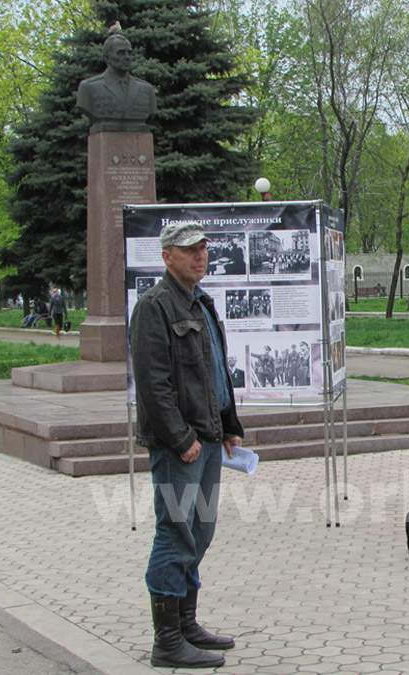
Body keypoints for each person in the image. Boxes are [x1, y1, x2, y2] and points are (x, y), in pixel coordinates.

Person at [129, 222, 243, 669]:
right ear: (166, 256)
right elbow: (152, 384)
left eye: (203, 248)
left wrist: (229, 424)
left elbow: (215, 372)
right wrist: (180, 438)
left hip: (209, 438)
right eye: (189, 249)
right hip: (181, 444)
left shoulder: (201, 302)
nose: (200, 256)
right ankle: (167, 641)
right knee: (175, 532)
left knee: (200, 531)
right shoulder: (154, 306)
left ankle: (186, 622)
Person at [76, 27, 156, 133]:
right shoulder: (89, 87)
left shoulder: (146, 89)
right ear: (107, 58)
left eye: (129, 53)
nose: (127, 57)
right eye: (121, 53)